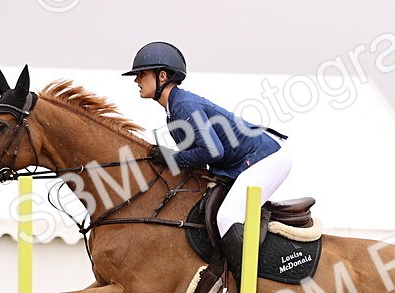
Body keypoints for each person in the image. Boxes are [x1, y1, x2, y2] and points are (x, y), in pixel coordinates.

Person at [123, 42, 291, 246]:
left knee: (226, 218)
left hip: (265, 159)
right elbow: (197, 162)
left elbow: (212, 151)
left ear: (162, 76)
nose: (136, 80)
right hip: (246, 161)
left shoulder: (183, 105)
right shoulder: (173, 111)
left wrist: (171, 157)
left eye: (142, 74)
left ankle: (245, 278)